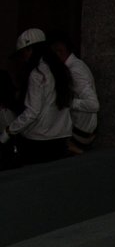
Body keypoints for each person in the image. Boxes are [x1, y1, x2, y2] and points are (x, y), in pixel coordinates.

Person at [0, 27, 72, 162]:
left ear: (30, 50)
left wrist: (8, 131)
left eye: (23, 54)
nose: (23, 59)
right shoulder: (59, 69)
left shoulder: (37, 73)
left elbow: (32, 111)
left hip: (39, 140)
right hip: (61, 136)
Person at [51, 37, 100, 152]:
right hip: (83, 129)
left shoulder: (75, 70)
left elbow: (93, 105)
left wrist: (67, 102)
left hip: (81, 132)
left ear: (60, 51)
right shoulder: (76, 65)